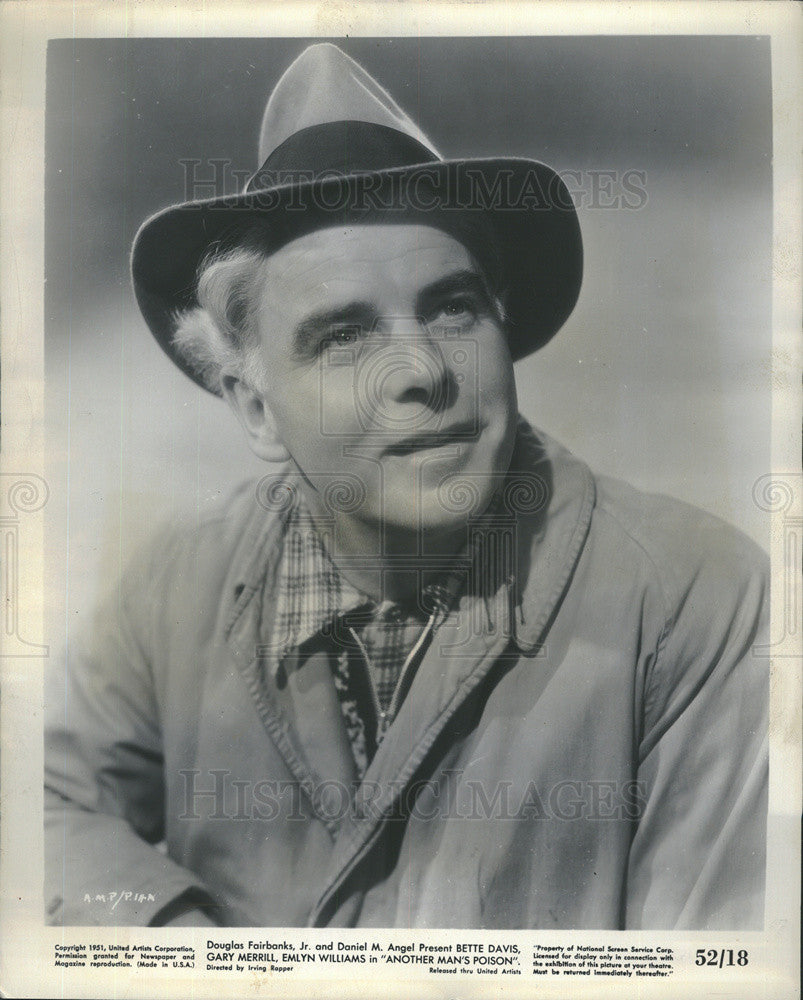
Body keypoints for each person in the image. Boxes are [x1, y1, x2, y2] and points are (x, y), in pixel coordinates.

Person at [45, 43, 768, 929]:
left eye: (453, 307)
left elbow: (706, 971)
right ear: (255, 408)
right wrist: (171, 938)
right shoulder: (179, 580)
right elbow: (45, 800)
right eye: (343, 335)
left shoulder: (693, 600)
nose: (419, 368)